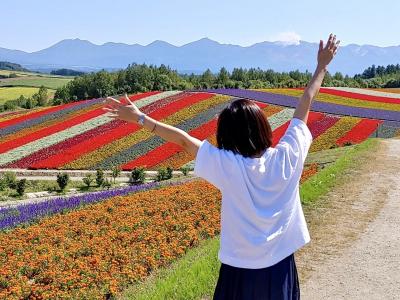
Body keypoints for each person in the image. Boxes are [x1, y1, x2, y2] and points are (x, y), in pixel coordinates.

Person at [102, 33, 340, 300]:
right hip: (281, 269)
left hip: (239, 272)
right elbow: (303, 106)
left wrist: (141, 118)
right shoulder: (287, 157)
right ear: (263, 127)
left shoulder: (228, 166)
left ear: (227, 136)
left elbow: (183, 141)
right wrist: (321, 66)